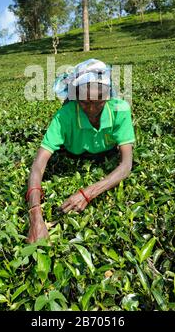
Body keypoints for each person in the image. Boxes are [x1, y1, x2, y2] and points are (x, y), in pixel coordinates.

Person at [25, 59, 135, 244]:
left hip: (105, 155)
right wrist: (35, 216)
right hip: (72, 155)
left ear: (108, 96)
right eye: (85, 103)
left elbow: (126, 165)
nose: (92, 109)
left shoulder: (120, 110)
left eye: (98, 102)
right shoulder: (65, 115)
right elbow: (37, 166)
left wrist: (88, 193)